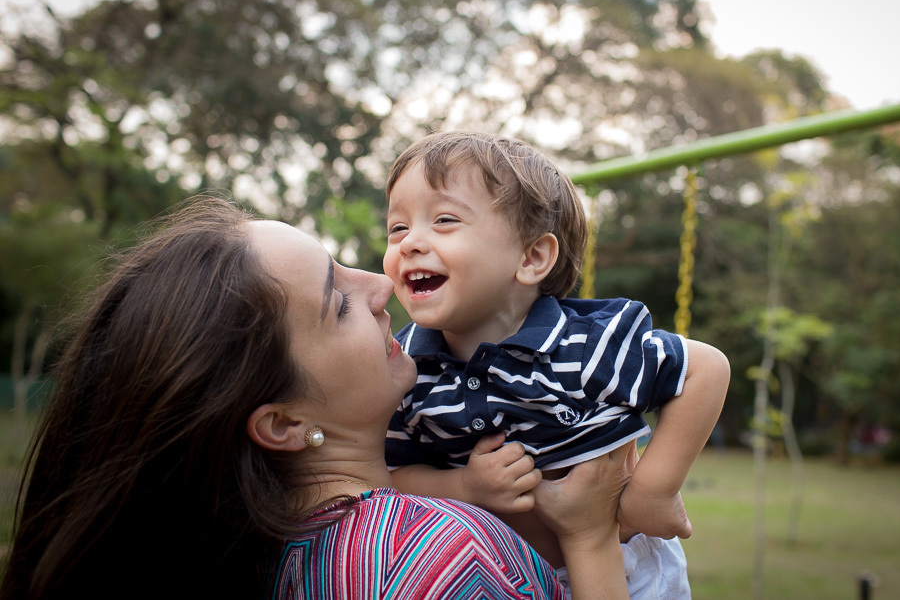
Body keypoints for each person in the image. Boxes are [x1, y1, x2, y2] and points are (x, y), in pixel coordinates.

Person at [1, 196, 631, 600]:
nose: (381, 286)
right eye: (338, 302)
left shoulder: (242, 551)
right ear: (283, 422)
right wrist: (591, 540)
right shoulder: (439, 561)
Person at [382, 132, 731, 598]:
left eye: (444, 220)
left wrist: (653, 489)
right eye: (398, 228)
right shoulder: (406, 369)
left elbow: (706, 368)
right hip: (502, 575)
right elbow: (392, 475)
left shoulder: (586, 344)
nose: (409, 243)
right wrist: (464, 485)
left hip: (627, 566)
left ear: (531, 257)